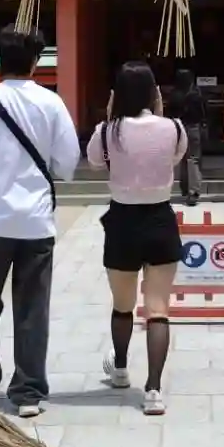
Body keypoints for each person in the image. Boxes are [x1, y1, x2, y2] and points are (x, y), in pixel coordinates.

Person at [0, 25, 81, 417]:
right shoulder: (51, 103)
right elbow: (68, 162)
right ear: (36, 62)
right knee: (32, 307)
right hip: (36, 220)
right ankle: (29, 391)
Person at [86, 62, 188, 416]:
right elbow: (175, 157)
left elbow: (94, 162)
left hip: (122, 221)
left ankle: (120, 368)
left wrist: (110, 117)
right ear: (153, 92)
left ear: (116, 94)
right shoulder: (174, 128)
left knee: (122, 305)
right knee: (158, 309)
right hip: (160, 219)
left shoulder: (106, 132)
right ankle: (154, 389)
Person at [163, 67, 206, 205]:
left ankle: (185, 187)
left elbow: (168, 113)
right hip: (193, 128)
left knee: (181, 157)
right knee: (193, 159)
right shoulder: (196, 94)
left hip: (177, 128)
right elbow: (204, 112)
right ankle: (194, 191)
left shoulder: (174, 95)